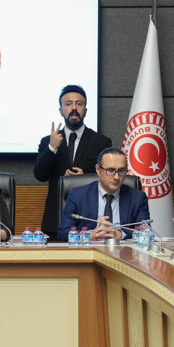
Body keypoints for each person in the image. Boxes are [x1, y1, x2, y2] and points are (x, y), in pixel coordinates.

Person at [34, 84, 112, 240]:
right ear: (61, 110)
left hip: (90, 220)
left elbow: (109, 178)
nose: (74, 108)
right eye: (68, 104)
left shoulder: (101, 142)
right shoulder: (48, 142)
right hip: (54, 220)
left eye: (79, 104)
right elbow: (40, 175)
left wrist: (86, 177)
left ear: (85, 110)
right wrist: (52, 148)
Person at [57, 148, 150, 242]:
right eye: (110, 170)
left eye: (121, 171)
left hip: (123, 250)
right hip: (89, 249)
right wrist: (90, 235)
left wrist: (120, 234)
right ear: (98, 169)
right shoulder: (78, 195)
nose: (116, 177)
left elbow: (145, 232)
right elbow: (63, 233)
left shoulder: (138, 198)